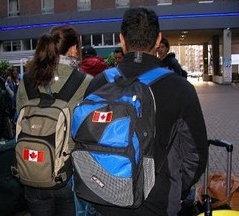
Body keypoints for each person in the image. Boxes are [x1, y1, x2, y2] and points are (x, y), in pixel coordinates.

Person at [84, 7, 208, 216]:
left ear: (122, 40)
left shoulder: (99, 82)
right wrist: (176, 186)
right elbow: (195, 157)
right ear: (158, 39)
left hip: (102, 198)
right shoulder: (180, 88)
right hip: (156, 203)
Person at [16, 25, 92, 216]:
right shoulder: (85, 82)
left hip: (32, 170)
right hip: (68, 175)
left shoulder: (26, 80)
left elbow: (19, 118)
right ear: (74, 49)